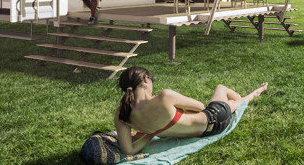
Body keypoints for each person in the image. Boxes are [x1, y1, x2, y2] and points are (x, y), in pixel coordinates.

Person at [112, 66, 268, 155]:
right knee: (221, 88)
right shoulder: (165, 96)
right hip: (215, 121)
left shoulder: (121, 115)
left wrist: (150, 133)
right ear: (146, 79)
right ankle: (250, 96)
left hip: (200, 131)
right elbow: (200, 107)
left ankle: (242, 100)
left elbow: (129, 150)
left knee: (231, 104)